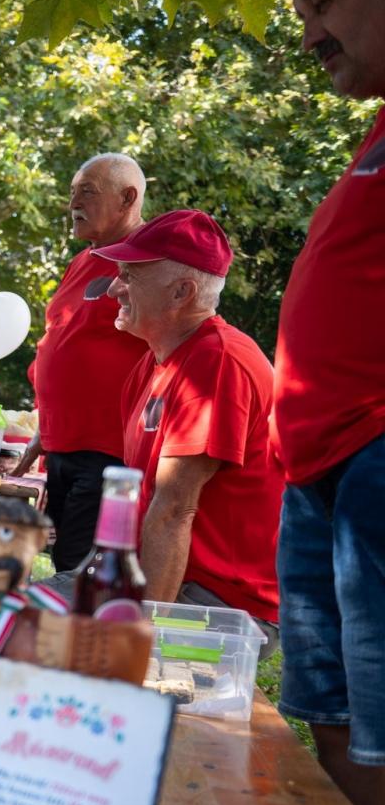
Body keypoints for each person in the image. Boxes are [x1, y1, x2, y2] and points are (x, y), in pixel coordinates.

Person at [272, 0, 385, 805]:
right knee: (329, 709)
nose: (309, 31)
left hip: (373, 459)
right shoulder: (373, 135)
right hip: (318, 470)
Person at [92, 210, 280, 654]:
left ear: (182, 291)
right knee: (18, 620)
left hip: (225, 606)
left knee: (36, 637)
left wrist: (136, 647)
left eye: (130, 276)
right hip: (168, 581)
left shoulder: (218, 361)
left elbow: (175, 511)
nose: (115, 287)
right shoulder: (155, 360)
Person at [13, 154, 152, 571]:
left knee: (81, 569)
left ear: (128, 198)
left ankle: (80, 638)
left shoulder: (148, 259)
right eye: (72, 193)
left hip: (110, 452)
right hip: (64, 446)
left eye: (87, 192)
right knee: (64, 561)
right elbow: (65, 344)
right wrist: (46, 429)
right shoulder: (84, 260)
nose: (73, 203)